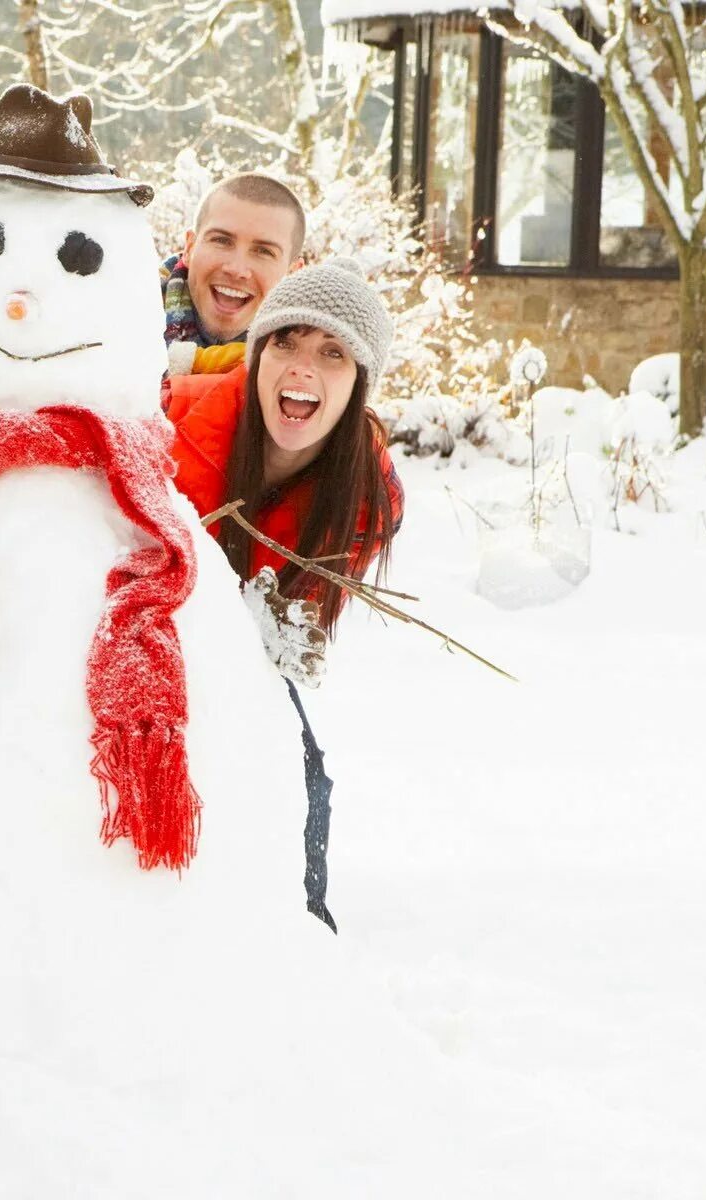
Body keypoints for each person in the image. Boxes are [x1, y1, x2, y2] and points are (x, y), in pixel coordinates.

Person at [163, 258, 405, 932]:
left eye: (333, 352)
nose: (303, 366)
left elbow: (294, 633)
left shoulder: (367, 497)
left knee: (304, 782)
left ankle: (299, 940)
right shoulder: (171, 424)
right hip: (139, 641)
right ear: (258, 353)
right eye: (287, 341)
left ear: (359, 382)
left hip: (241, 656)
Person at [161, 172, 307, 377]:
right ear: (190, 248)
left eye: (264, 251)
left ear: (293, 276)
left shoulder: (305, 376)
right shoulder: (116, 328)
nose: (237, 269)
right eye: (221, 240)